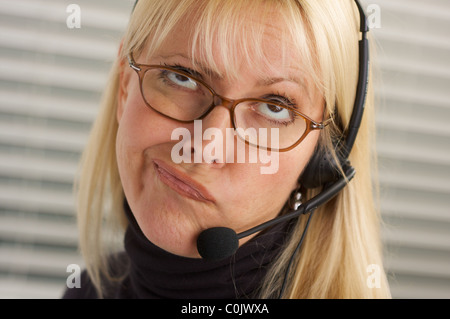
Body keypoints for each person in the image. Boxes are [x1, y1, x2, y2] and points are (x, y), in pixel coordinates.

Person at [63, 0, 391, 299]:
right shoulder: (88, 291)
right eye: (182, 77)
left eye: (274, 107)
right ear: (125, 86)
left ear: (320, 159)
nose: (206, 147)